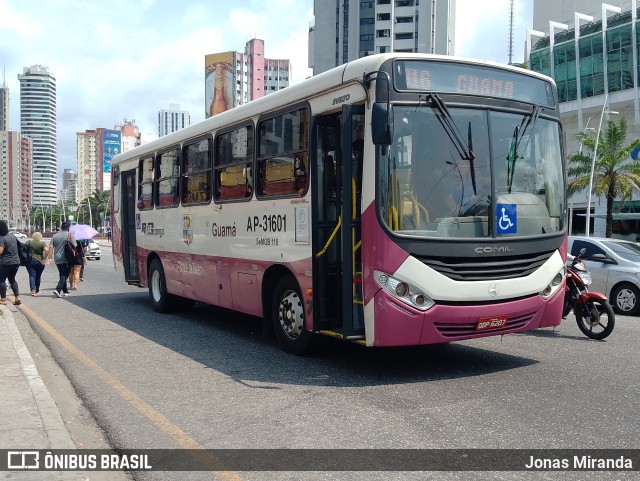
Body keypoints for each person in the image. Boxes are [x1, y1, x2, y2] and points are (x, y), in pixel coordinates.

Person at [47, 221, 76, 297]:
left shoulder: (55, 236)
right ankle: (58, 289)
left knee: (61, 274)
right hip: (66, 258)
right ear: (68, 228)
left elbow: (50, 247)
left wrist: (49, 258)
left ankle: (65, 291)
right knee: (65, 274)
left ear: (61, 227)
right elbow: (75, 245)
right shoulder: (70, 235)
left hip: (57, 258)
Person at [0, 220, 22, 306]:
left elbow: (0, 251)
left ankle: (3, 299)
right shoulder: (12, 236)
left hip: (6, 262)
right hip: (16, 262)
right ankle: (17, 297)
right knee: (12, 279)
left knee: (1, 280)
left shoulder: (2, 238)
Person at [25, 231, 49, 296]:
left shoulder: (29, 242)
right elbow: (47, 251)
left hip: (30, 260)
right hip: (39, 261)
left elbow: (24, 249)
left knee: (32, 275)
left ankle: (33, 290)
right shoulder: (42, 243)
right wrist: (45, 259)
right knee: (38, 276)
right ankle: (37, 290)